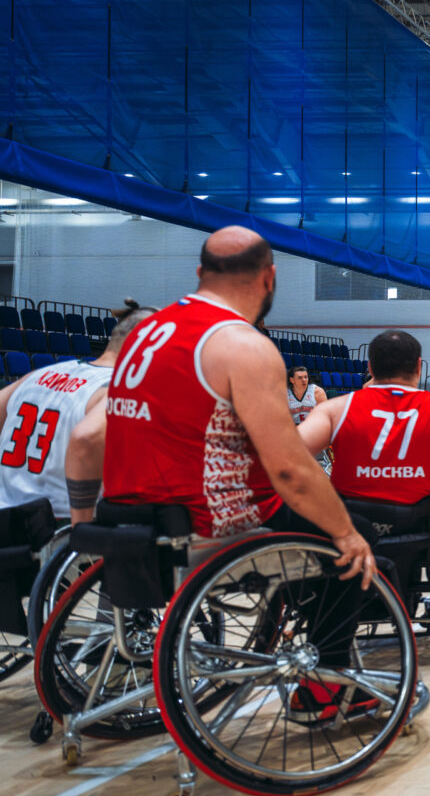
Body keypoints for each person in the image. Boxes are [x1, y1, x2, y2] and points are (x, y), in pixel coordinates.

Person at [64, 228, 379, 720]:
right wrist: (345, 532)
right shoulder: (242, 345)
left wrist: (84, 522)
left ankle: (303, 631)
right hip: (210, 526)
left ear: (199, 273)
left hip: (129, 517)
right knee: (355, 543)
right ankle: (325, 690)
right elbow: (290, 470)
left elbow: (91, 436)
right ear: (269, 277)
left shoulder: (144, 333)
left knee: (321, 532)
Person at [297, 329, 430, 597]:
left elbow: (287, 457)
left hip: (351, 524)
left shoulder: (335, 409)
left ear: (370, 367)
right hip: (414, 527)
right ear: (418, 366)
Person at [0, 299, 152, 523]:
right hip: (59, 526)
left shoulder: (40, 374)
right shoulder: (120, 388)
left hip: (7, 517)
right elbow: (86, 438)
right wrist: (82, 525)